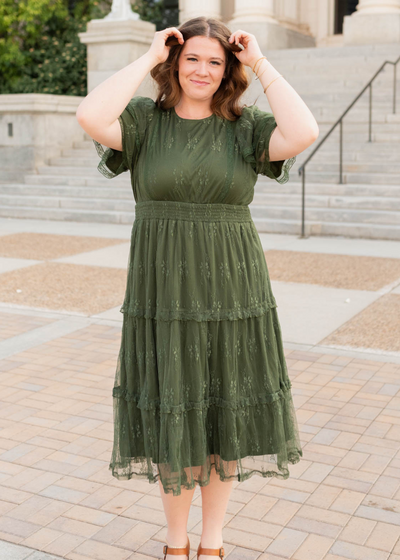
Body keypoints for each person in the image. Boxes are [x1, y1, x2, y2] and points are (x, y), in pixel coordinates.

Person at [76, 15, 318, 560]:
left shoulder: (246, 127)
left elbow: (303, 132)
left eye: (215, 61)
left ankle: (213, 543)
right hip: (162, 296)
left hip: (233, 293)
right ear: (175, 64)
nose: (203, 70)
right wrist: (149, 55)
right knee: (174, 412)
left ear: (228, 68)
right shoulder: (144, 122)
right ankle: (176, 543)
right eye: (192, 59)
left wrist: (259, 60)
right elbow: (90, 114)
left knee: (225, 412)